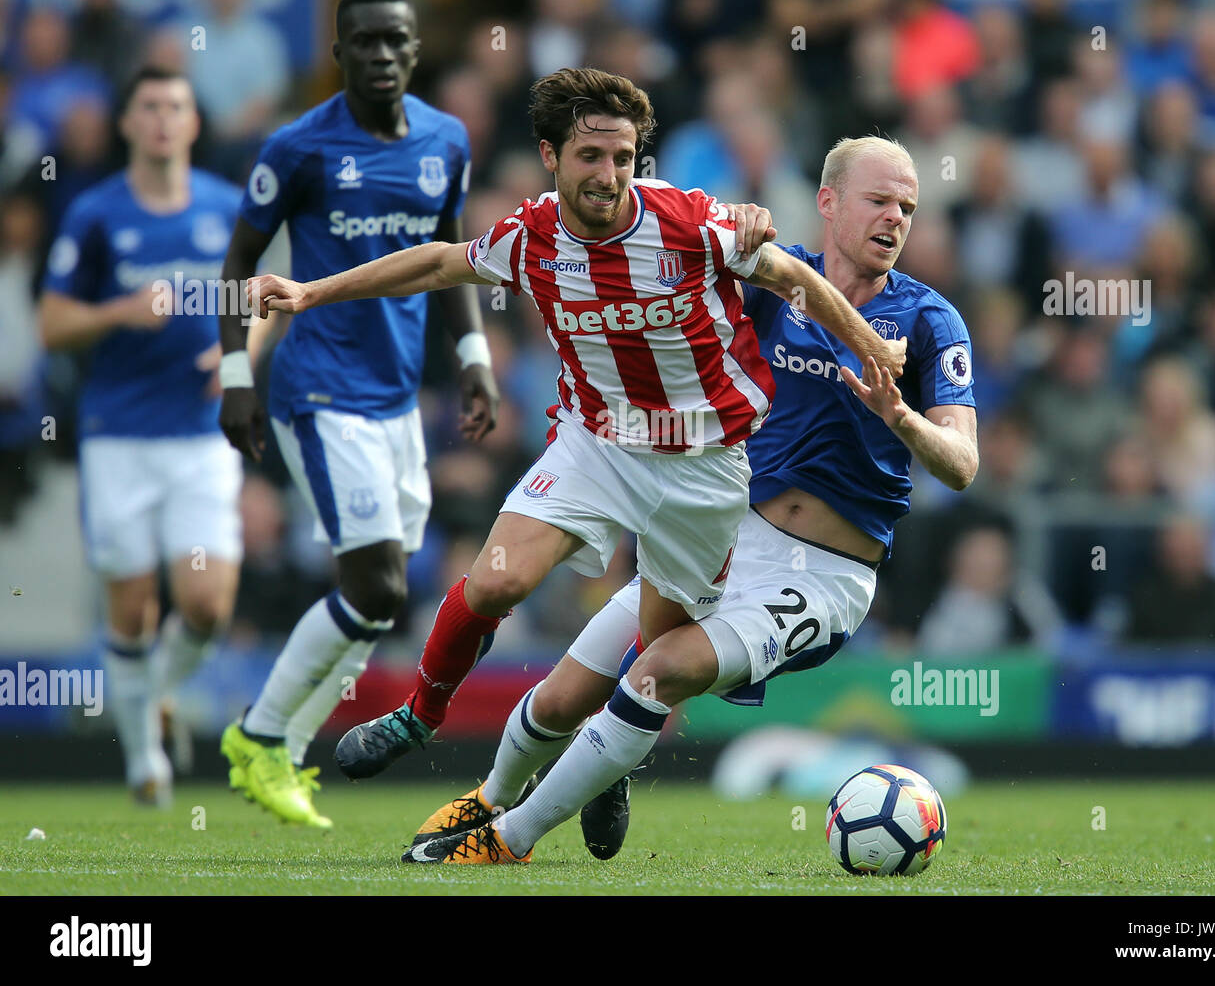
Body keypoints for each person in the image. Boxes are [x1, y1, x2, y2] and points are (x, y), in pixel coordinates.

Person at [247, 69, 906, 795]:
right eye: (591, 156)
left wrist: (870, 346)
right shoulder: (530, 236)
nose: (609, 174)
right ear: (551, 155)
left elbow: (795, 279)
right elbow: (438, 263)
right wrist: (310, 291)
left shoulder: (689, 222)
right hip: (598, 444)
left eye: (622, 157)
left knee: (653, 658)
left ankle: (604, 768)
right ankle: (420, 713)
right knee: (497, 579)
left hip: (706, 469)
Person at [397, 136, 981, 866]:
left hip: (824, 575)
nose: (896, 218)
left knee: (657, 670)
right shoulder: (773, 279)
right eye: (879, 200)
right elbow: (674, 285)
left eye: (908, 207)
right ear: (827, 201)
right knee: (558, 699)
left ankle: (508, 839)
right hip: (725, 539)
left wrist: (900, 416)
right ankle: (489, 797)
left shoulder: (929, 321)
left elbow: (961, 464)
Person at [216, 0, 498, 829]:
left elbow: (450, 260)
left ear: (416, 50)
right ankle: (259, 734)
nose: (380, 55)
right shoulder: (298, 149)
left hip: (397, 398)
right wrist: (237, 379)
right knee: (372, 579)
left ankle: (285, 749)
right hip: (319, 389)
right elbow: (236, 268)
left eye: (395, 41)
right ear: (338, 54)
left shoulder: (447, 140)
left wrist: (474, 356)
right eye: (363, 42)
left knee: (384, 593)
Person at [39, 66, 244, 805]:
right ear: (127, 123)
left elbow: (272, 300)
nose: (163, 119)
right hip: (117, 433)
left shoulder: (228, 208)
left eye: (177, 107)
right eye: (149, 106)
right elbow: (52, 323)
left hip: (199, 434)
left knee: (207, 602)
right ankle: (143, 760)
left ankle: (156, 692)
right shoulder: (95, 213)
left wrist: (240, 357)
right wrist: (119, 311)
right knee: (130, 606)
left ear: (193, 123)